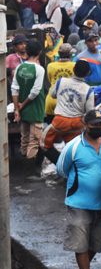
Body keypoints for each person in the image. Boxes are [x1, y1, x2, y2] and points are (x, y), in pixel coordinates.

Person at [58, 109, 101, 269]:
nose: (98, 127)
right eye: (94, 124)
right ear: (85, 125)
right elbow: (61, 170)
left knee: (96, 242)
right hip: (78, 202)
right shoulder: (73, 146)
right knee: (80, 242)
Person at [40, 61, 97, 168]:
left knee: (44, 144)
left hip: (60, 122)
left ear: (73, 69)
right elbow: (89, 112)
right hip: (77, 124)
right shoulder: (88, 90)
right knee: (73, 151)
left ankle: (62, 166)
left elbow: (52, 94)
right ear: (88, 73)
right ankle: (73, 171)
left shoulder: (61, 81)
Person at [12, 41, 46, 179]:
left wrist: (17, 108)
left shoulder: (19, 68)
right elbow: (35, 92)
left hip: (23, 110)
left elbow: (14, 88)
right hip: (35, 109)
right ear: (39, 52)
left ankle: (26, 171)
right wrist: (23, 105)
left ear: (26, 52)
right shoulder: (39, 69)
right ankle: (29, 173)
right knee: (33, 141)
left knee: (24, 139)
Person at [45, 43, 76, 118]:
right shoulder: (75, 66)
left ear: (58, 53)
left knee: (51, 124)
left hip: (52, 100)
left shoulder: (50, 66)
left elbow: (50, 79)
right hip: (68, 102)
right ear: (70, 55)